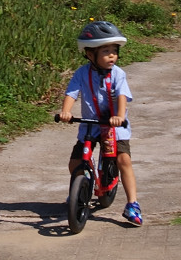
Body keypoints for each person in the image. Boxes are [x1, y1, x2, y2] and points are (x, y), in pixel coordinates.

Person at [59, 20, 142, 226]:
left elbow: (122, 95)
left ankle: (133, 203)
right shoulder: (81, 73)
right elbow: (72, 93)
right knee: (75, 163)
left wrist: (120, 116)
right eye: (106, 51)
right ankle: (82, 188)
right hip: (90, 124)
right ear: (90, 54)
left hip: (115, 125)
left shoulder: (118, 74)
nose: (112, 55)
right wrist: (66, 112)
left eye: (114, 51)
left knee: (124, 161)